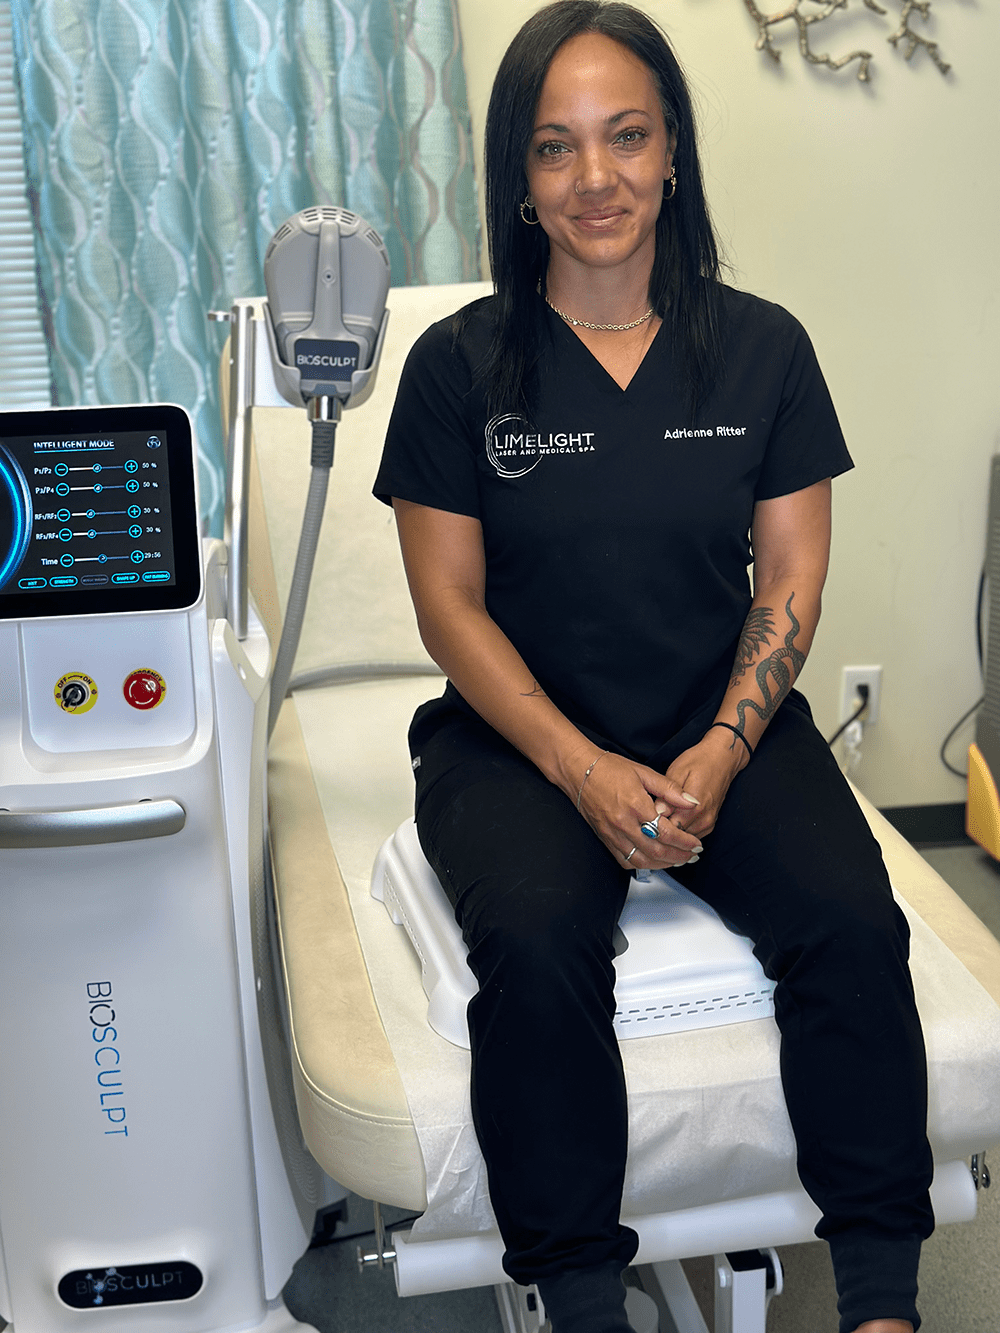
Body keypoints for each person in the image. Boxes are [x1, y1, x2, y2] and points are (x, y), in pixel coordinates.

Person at [373, 3, 934, 1330]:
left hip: (719, 721)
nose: (597, 179)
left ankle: (882, 1298)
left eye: (626, 138)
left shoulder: (761, 347)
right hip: (520, 739)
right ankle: (580, 1294)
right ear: (517, 179)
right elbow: (447, 605)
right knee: (536, 940)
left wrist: (722, 750)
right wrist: (579, 770)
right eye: (557, 149)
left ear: (672, 151)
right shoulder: (459, 367)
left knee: (856, 928)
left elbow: (790, 580)